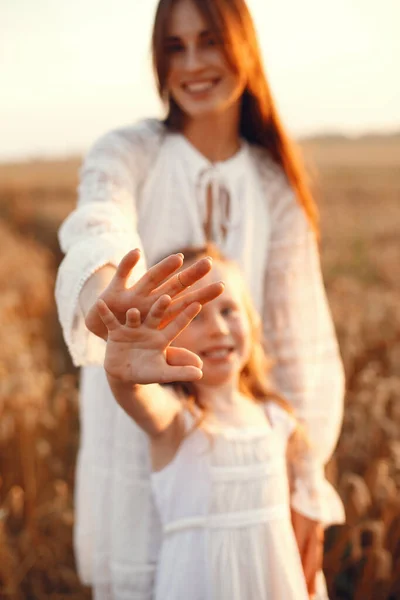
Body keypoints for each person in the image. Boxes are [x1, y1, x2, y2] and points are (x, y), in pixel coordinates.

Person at [55, 0, 345, 597]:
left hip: (246, 457)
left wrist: (304, 479)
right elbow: (98, 220)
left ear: (243, 45)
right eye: (175, 48)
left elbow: (299, 341)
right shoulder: (128, 151)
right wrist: (105, 294)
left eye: (208, 40)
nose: (192, 64)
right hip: (146, 431)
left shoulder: (274, 184)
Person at [95, 245, 344, 600]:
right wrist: (124, 376)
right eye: (194, 316)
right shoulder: (178, 421)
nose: (217, 328)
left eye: (229, 310)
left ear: (253, 322)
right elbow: (138, 398)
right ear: (166, 336)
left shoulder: (277, 420)